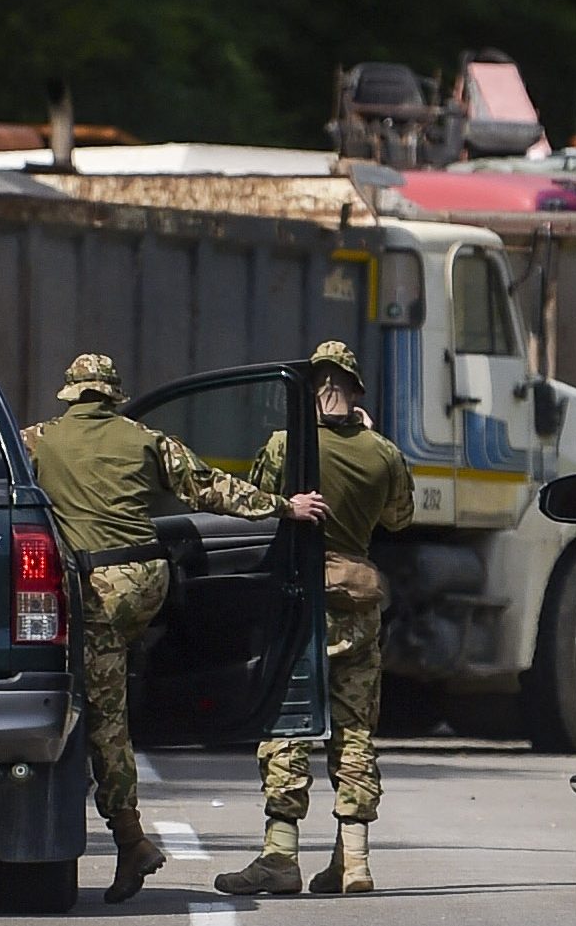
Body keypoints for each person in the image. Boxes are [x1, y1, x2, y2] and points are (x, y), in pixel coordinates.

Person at [23, 353, 325, 904]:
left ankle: (131, 839)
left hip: (94, 586)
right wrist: (286, 506)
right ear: (112, 395)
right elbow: (211, 489)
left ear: (69, 395)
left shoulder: (38, 441)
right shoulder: (144, 438)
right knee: (119, 677)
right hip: (147, 578)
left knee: (104, 718)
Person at [216, 343, 413, 898]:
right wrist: (373, 441)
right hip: (358, 606)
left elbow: (255, 502)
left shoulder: (285, 446)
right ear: (354, 391)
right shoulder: (384, 453)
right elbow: (400, 518)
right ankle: (354, 861)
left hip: (300, 603)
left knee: (287, 725)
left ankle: (280, 857)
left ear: (307, 388)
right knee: (354, 729)